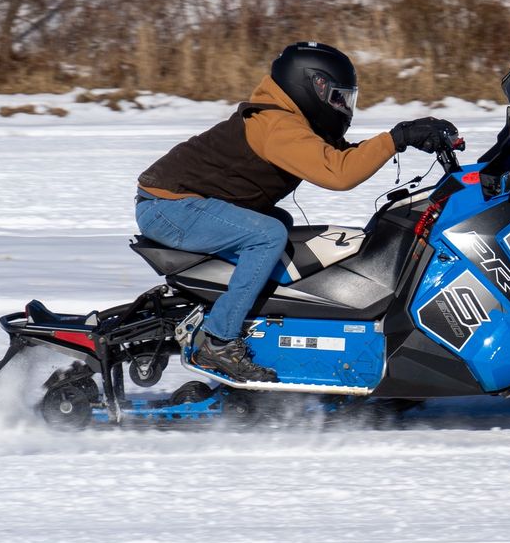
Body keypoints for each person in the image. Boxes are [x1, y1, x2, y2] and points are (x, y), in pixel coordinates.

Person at [134, 41, 459, 382]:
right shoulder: (277, 125)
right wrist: (397, 138)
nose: (343, 107)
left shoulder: (288, 118)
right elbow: (338, 172)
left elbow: (343, 156)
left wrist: (406, 139)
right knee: (267, 235)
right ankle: (217, 340)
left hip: (180, 203)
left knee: (280, 227)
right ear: (312, 86)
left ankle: (258, 318)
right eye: (338, 98)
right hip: (168, 206)